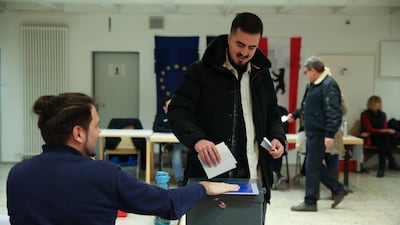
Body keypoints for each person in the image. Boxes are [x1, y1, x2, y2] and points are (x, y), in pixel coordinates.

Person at [6, 92, 240, 225]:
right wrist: (203, 187)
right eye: (96, 126)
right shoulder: (102, 174)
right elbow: (169, 204)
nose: (99, 133)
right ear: (78, 133)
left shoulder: (17, 174)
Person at [168, 12, 286, 221]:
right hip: (209, 177)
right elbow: (178, 111)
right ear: (229, 38)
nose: (245, 52)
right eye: (240, 44)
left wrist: (277, 137)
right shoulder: (201, 71)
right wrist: (197, 139)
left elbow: (272, 114)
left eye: (252, 47)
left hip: (253, 177)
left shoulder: (261, 74)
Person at [290, 56, 350, 212]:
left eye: (306, 71)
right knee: (310, 166)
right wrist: (295, 115)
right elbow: (306, 105)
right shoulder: (314, 84)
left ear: (314, 71)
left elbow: (334, 112)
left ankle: (310, 202)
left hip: (320, 132)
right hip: (312, 132)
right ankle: (338, 189)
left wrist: (329, 134)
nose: (305, 74)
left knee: (311, 167)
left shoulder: (328, 85)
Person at [360, 95, 400, 177]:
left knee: (384, 138)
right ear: (372, 103)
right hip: (371, 137)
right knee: (384, 137)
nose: (379, 104)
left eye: (379, 102)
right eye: (377, 102)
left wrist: (384, 131)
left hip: (381, 137)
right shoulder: (365, 114)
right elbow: (369, 129)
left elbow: (384, 127)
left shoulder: (382, 114)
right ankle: (390, 161)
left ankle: (382, 167)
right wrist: (384, 131)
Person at [153, 96, 188, 186]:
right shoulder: (160, 116)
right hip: (170, 144)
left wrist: (169, 128)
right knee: (176, 152)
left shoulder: (181, 116)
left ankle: (194, 177)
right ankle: (180, 179)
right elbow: (156, 128)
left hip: (184, 142)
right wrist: (172, 129)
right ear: (164, 108)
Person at [270, 105, 289, 190]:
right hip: (270, 141)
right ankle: (275, 173)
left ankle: (275, 173)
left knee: (278, 149)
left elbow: (286, 127)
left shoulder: (282, 110)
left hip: (278, 139)